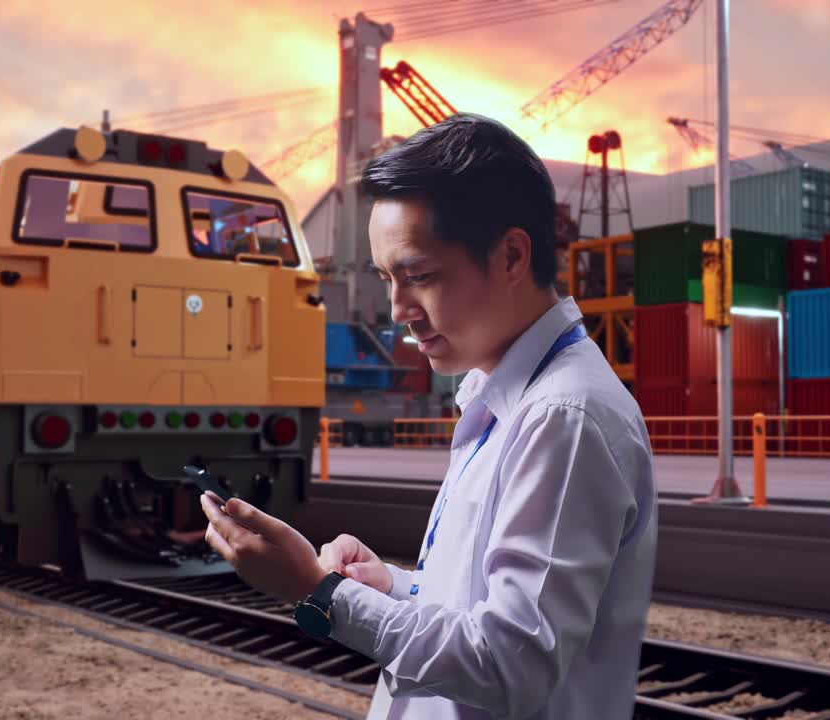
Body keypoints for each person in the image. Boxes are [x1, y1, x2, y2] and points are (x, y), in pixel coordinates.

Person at [199, 112, 657, 719]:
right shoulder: (507, 397)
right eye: (387, 278)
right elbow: (482, 611)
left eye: (418, 276)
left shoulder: (563, 418)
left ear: (511, 255)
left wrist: (318, 591)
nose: (397, 309)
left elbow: (512, 665)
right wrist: (391, 585)